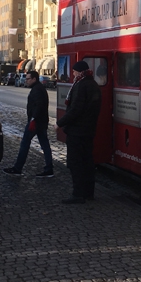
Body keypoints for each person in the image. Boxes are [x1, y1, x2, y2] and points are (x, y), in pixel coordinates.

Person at [56, 60, 102, 205]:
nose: (73, 73)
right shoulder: (93, 84)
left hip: (78, 131)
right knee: (88, 162)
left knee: (76, 163)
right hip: (89, 130)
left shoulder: (81, 86)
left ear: (80, 72)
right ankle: (89, 193)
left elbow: (76, 109)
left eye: (75, 71)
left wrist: (60, 123)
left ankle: (78, 194)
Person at [3, 70, 53, 177]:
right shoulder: (39, 88)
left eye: (28, 79)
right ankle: (49, 168)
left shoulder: (37, 90)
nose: (26, 81)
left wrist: (33, 119)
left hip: (36, 122)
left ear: (34, 79)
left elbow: (38, 106)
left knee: (25, 143)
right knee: (45, 145)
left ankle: (18, 168)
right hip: (41, 121)